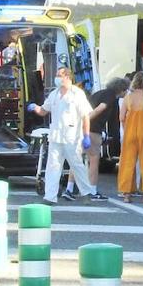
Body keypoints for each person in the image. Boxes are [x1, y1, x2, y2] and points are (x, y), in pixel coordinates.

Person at [28, 66, 105, 204]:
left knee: (77, 166)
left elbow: (86, 116)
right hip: (56, 136)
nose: (57, 78)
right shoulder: (54, 94)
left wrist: (86, 135)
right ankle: (50, 197)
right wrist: (35, 108)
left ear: (67, 77)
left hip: (72, 137)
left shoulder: (77, 94)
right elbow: (44, 111)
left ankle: (86, 192)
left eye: (60, 75)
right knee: (53, 167)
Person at [117, 72, 143, 203]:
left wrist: (125, 128)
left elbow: (121, 117)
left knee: (127, 162)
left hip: (130, 132)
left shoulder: (127, 98)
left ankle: (127, 194)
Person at [87, 77, 128, 187]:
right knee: (94, 159)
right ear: (121, 90)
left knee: (78, 159)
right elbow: (100, 109)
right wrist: (85, 120)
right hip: (93, 129)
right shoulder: (110, 97)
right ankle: (92, 189)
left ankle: (70, 188)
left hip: (84, 129)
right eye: (126, 90)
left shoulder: (99, 93)